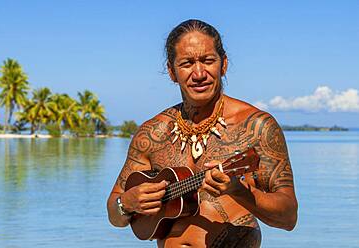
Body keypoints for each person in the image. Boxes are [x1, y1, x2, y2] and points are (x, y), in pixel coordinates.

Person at [107, 19, 298, 247]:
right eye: (187, 63)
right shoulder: (152, 134)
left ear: (224, 64)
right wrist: (126, 204)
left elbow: (288, 218)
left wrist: (240, 192)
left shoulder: (256, 126)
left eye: (208, 61)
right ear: (171, 71)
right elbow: (114, 214)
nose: (199, 73)